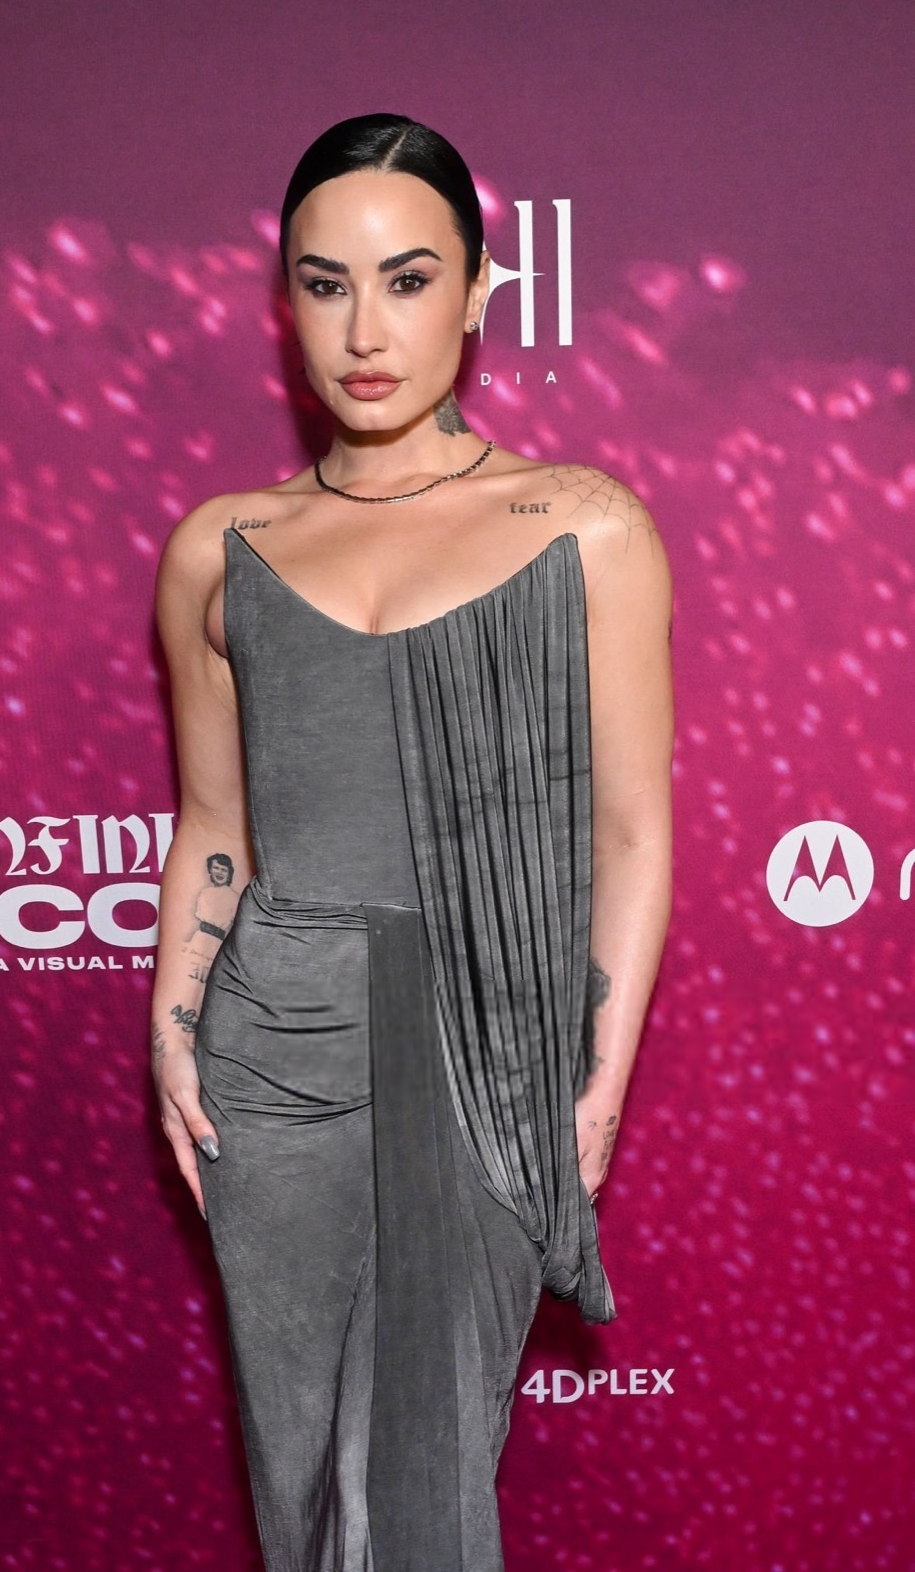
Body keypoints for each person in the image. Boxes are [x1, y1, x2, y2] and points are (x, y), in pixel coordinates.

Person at [150, 113, 673, 1572]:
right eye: (325, 285)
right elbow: (215, 822)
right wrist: (173, 1032)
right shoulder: (220, 545)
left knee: (418, 1482)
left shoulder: (582, 525)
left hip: (486, 1046)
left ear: (481, 291)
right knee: (304, 1483)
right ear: (284, 305)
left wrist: (595, 1086)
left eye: (408, 279)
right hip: (273, 1053)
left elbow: (633, 833)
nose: (365, 332)